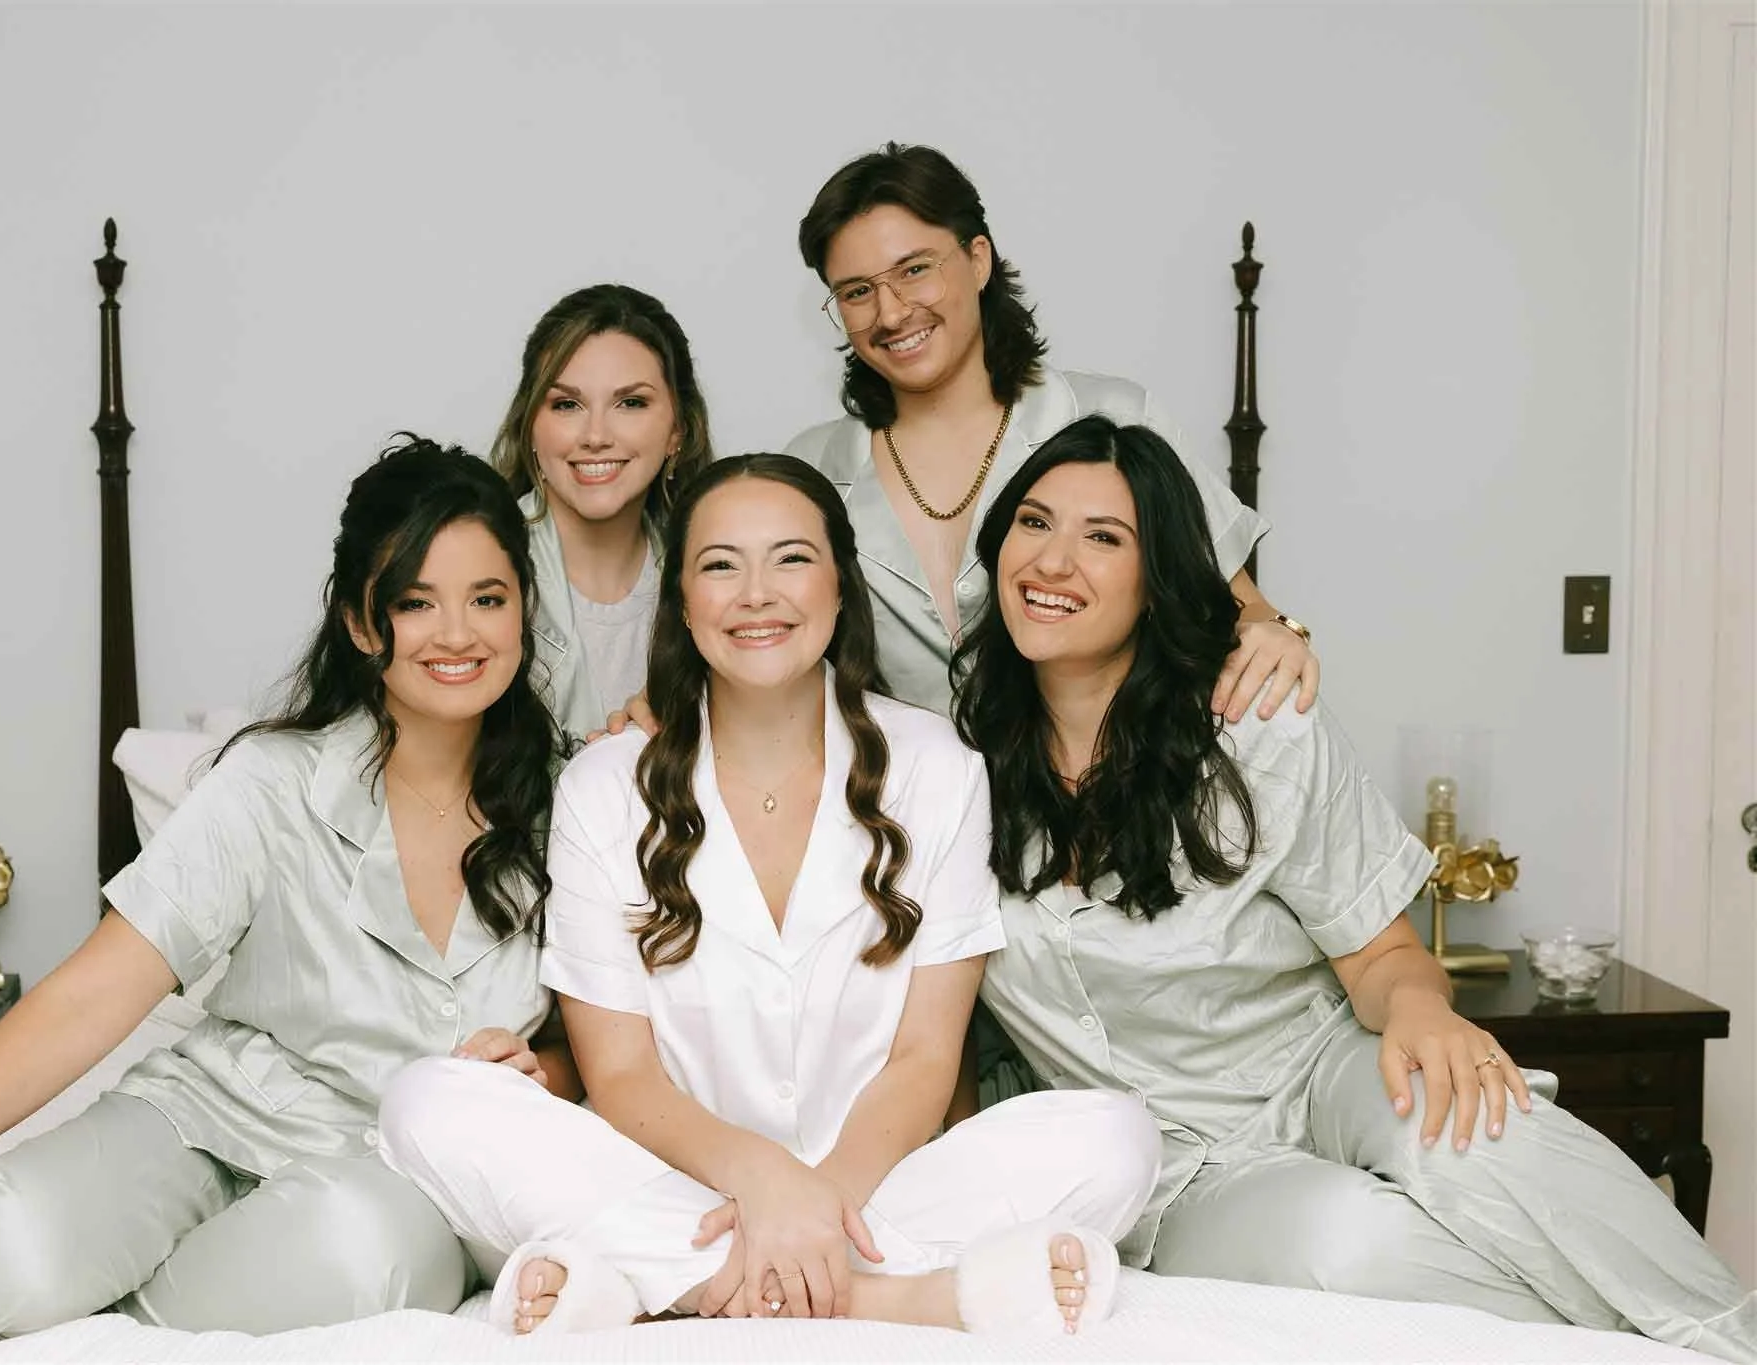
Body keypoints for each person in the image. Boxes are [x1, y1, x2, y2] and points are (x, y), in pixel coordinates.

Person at [950, 413, 1756, 1361]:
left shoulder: (1258, 729)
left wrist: (1424, 1011)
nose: (1054, 560)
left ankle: (1734, 1339)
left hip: (1323, 1065)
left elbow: (1383, 953)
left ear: (1159, 577)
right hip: (1172, 1166)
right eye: (1034, 523)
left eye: (1104, 537)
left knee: (1496, 1139)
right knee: (1351, 1240)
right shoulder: (947, 770)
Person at [0, 438, 574, 1338]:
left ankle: (98, 1332)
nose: (459, 633)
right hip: (208, 1117)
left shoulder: (578, 804)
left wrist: (533, 1074)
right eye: (415, 601)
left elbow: (597, 1047)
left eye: (488, 598)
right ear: (363, 623)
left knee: (355, 1255)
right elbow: (95, 993)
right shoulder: (270, 785)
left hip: (401, 1172)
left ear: (523, 608)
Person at [376, 455, 1162, 1338]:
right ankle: (892, 1297)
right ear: (681, 599)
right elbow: (621, 1073)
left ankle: (666, 1285)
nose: (756, 593)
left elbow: (924, 1060)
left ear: (839, 584)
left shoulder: (939, 767)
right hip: (680, 1181)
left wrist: (813, 1204)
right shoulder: (603, 785)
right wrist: (762, 1181)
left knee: (1116, 1135)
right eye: (719, 565)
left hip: (875, 1184)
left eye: (790, 559)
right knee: (426, 1102)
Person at [786, 141, 1317, 725]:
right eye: (857, 291)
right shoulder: (808, 472)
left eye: (914, 270)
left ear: (979, 259)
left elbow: (1240, 608)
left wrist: (1278, 634)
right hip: (907, 808)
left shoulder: (1115, 419)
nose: (890, 313)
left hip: (1101, 795)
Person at [493, 284, 714, 740]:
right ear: (530, 424)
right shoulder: (467, 565)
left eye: (630, 403)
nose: (595, 435)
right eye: (567, 404)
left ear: (678, 430)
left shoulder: (721, 575)